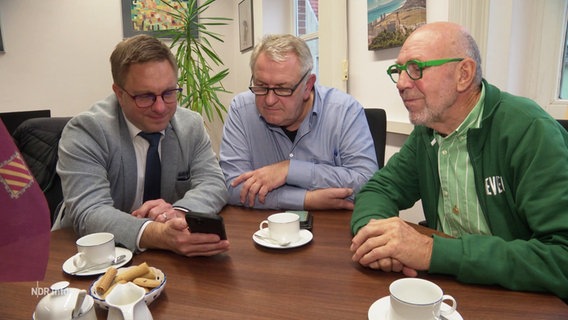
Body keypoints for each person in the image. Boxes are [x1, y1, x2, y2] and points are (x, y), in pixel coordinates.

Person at [350, 22, 568, 299]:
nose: (402, 83)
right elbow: (379, 189)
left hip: (517, 298)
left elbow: (562, 257)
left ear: (464, 74)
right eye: (399, 70)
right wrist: (377, 240)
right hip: (448, 290)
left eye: (416, 68)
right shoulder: (427, 133)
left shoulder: (529, 130)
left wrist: (431, 252)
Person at [56, 34, 230, 257]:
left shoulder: (190, 125)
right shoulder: (86, 130)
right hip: (87, 255)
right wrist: (158, 234)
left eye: (169, 93)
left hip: (162, 258)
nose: (160, 108)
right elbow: (90, 213)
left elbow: (214, 182)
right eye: (146, 96)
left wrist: (177, 213)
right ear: (119, 93)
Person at [219, 34, 378, 210]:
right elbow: (232, 187)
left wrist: (290, 170)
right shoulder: (241, 110)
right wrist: (306, 199)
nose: (269, 100)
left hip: (333, 230)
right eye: (261, 86)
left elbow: (367, 184)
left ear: (308, 86)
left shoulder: (344, 111)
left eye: (282, 89)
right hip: (262, 230)